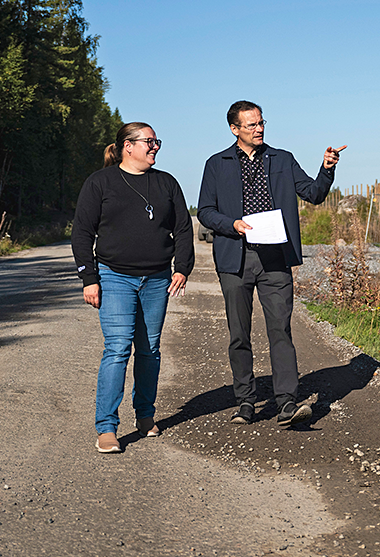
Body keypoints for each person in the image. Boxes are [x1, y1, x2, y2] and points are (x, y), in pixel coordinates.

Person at [197, 101, 344, 428]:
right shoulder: (216, 164)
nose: (259, 129)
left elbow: (313, 193)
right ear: (235, 129)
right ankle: (245, 402)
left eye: (261, 123)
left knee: (280, 329)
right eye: (251, 125)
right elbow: (205, 211)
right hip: (235, 257)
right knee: (239, 333)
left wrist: (327, 167)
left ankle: (287, 403)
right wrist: (231, 224)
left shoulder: (282, 159)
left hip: (275, 257)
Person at [72, 122, 194, 453]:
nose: (155, 147)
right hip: (114, 277)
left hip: (157, 279)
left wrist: (182, 268)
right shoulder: (100, 182)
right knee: (117, 349)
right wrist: (89, 278)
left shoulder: (167, 183)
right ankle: (107, 428)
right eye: (149, 142)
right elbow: (82, 232)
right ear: (128, 146)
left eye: (157, 142)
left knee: (150, 349)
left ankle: (144, 414)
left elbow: (183, 229)